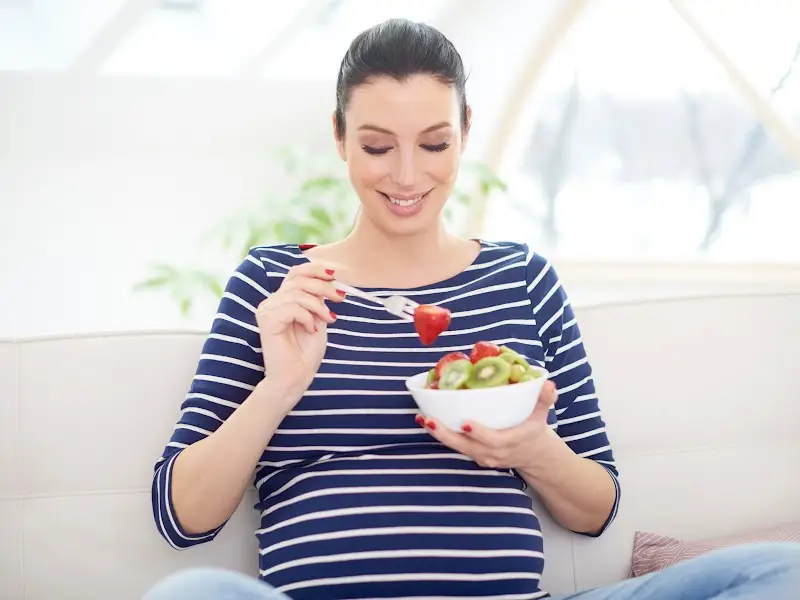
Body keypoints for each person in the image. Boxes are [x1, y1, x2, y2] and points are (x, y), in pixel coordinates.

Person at [145, 18, 800, 600]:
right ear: (340, 138)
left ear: (465, 133)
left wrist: (533, 448)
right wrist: (280, 386)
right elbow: (180, 518)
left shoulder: (520, 278)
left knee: (780, 572)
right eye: (377, 146)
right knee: (192, 592)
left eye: (433, 144)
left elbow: (596, 509)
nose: (406, 176)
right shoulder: (277, 284)